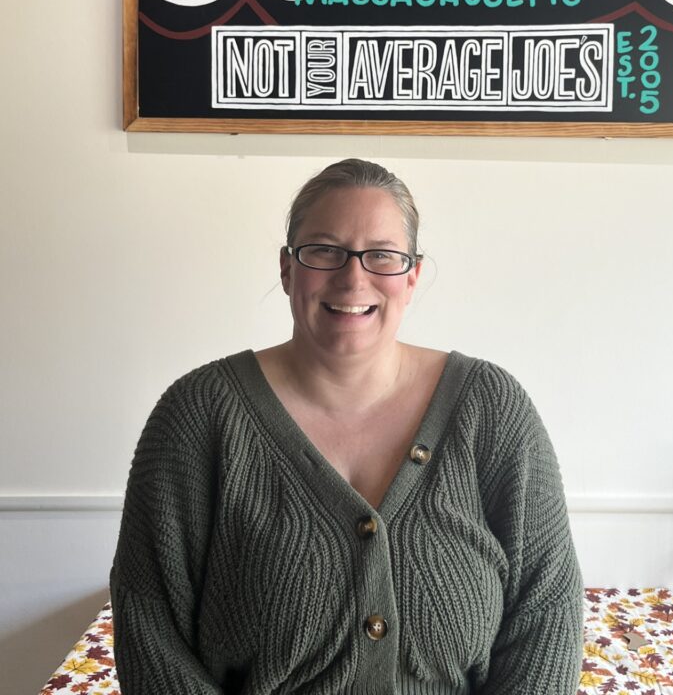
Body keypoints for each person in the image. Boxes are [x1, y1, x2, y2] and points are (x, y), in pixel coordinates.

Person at [110, 158, 583, 695]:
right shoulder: (198, 417)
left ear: (412, 277)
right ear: (288, 269)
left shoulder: (492, 410)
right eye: (325, 251)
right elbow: (150, 629)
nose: (353, 276)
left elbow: (547, 613)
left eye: (381, 255)